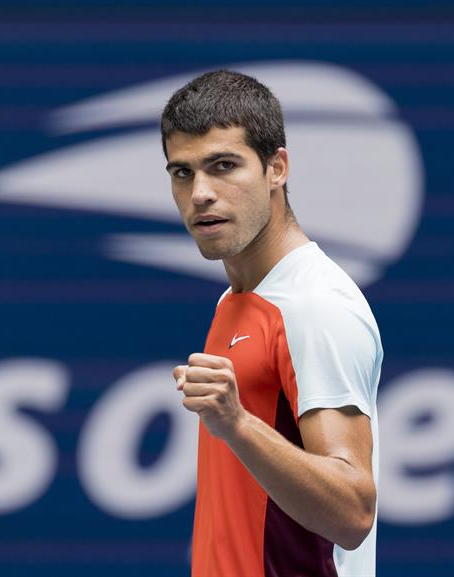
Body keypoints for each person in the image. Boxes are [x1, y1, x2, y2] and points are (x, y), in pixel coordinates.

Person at [163, 69, 384, 577]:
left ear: (276, 167)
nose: (200, 193)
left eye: (223, 166)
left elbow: (353, 512)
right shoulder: (236, 301)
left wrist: (237, 424)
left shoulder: (315, 306)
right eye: (182, 172)